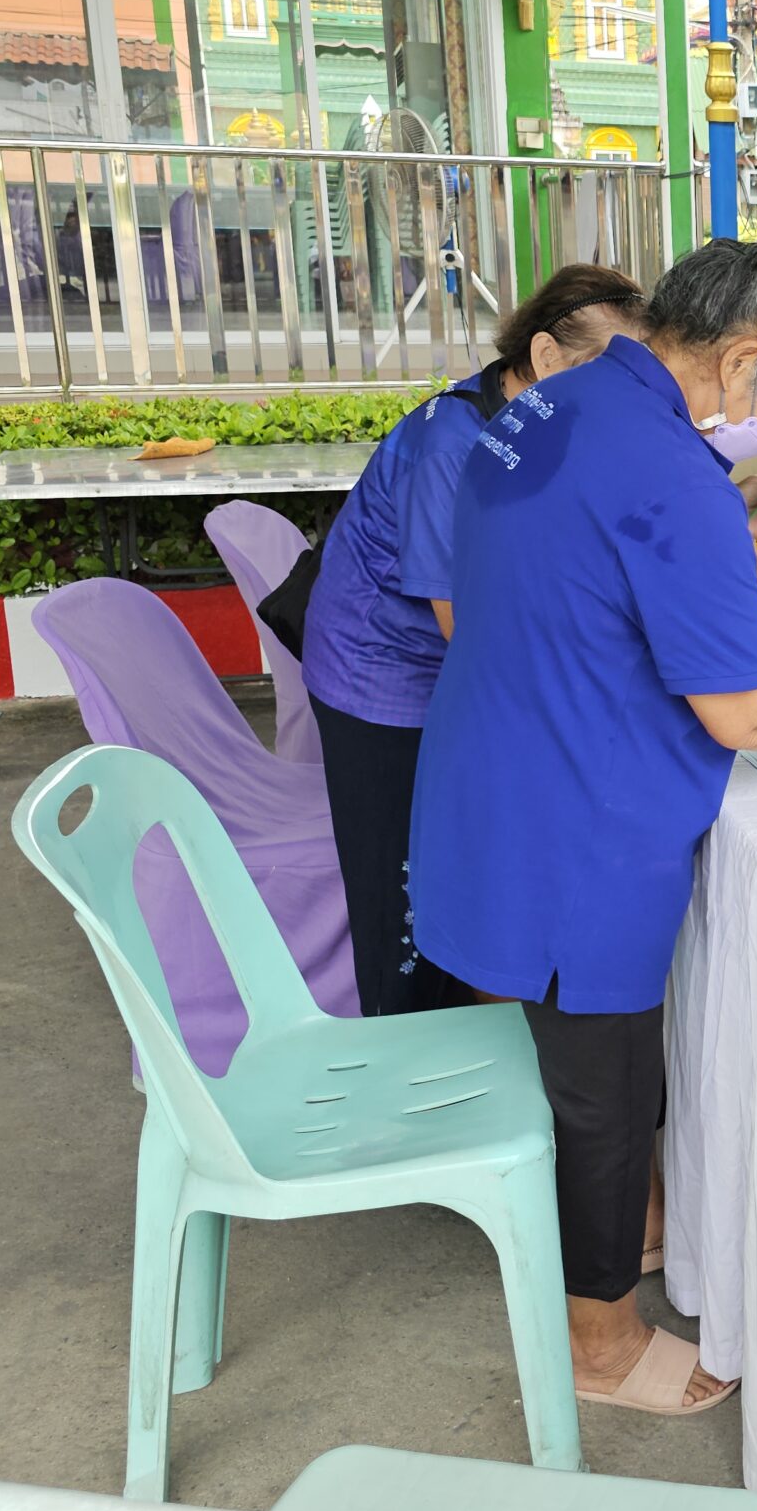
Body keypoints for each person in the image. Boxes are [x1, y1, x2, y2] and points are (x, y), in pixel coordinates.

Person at [409, 216, 757, 1416]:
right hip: (577, 821)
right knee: (604, 1095)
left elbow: (576, 581)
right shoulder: (668, 472)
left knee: (585, 1079)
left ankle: (635, 1235)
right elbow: (748, 714)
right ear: (742, 356)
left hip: (493, 768)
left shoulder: (550, 402)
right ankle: (599, 1346)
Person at [303, 265, 643, 1018]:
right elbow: (467, 627)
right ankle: (405, 1050)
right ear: (547, 355)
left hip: (447, 673)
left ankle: (466, 1025)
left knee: (461, 866)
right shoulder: (454, 447)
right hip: (382, 679)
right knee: (405, 887)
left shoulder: (535, 420)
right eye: (610, 370)